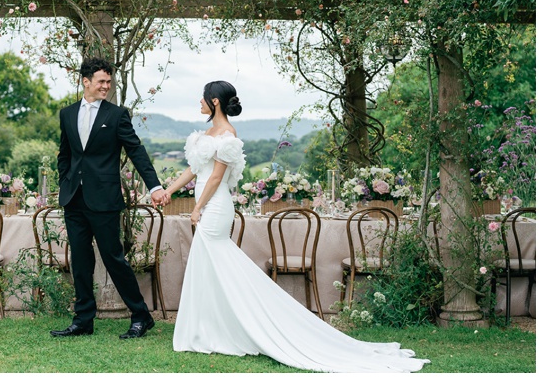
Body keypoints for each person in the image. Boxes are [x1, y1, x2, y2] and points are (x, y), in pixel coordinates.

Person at [160, 81, 426, 372]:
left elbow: (214, 179)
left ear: (215, 102)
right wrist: (169, 190)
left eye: (203, 97)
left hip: (215, 207)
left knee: (216, 262)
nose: (198, 101)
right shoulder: (207, 133)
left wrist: (197, 208)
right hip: (206, 205)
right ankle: (212, 328)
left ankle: (227, 327)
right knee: (211, 266)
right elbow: (195, 171)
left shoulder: (228, 135)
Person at [52, 57, 165, 339]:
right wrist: (64, 181)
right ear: (85, 81)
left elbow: (135, 151)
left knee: (114, 259)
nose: (106, 86)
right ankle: (83, 320)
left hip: (104, 199)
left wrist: (154, 186)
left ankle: (140, 316)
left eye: (109, 82)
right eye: (101, 81)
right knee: (79, 260)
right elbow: (65, 154)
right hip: (74, 198)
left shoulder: (116, 115)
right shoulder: (66, 114)